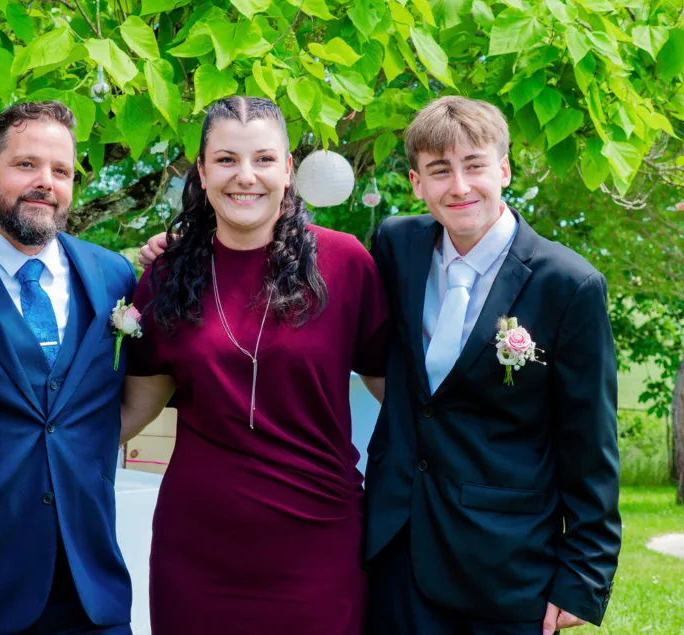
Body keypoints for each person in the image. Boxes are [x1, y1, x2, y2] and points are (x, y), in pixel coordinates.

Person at [122, 96, 389, 635]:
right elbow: (135, 407)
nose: (245, 177)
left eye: (264, 159)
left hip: (319, 543)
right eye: (225, 160)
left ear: (289, 170)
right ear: (201, 171)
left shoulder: (345, 263)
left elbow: (403, 398)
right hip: (196, 549)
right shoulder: (167, 274)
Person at [362, 96, 621, 635]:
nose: (459, 186)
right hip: (396, 546)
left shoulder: (567, 285)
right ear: (416, 183)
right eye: (439, 170)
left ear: (503, 168)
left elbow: (589, 439)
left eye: (474, 165)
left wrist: (586, 574)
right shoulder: (396, 246)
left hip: (507, 562)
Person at [0, 102, 135, 635]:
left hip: (93, 588)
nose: (44, 182)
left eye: (61, 171)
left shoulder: (114, 275)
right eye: (26, 165)